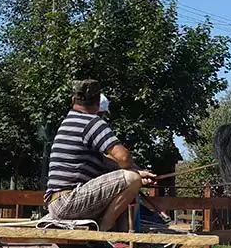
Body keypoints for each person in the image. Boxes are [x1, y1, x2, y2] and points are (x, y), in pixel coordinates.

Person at [44, 80, 154, 231]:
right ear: (97, 103)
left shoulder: (69, 121)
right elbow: (123, 158)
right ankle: (104, 233)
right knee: (131, 180)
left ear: (73, 100)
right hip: (69, 202)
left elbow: (107, 163)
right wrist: (135, 175)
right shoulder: (91, 121)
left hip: (58, 202)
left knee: (132, 178)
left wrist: (139, 172)